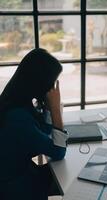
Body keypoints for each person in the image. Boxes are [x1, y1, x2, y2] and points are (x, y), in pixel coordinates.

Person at [0, 48, 68, 200]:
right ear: (40, 83)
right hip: (14, 188)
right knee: (64, 179)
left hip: (14, 175)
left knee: (54, 173)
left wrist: (49, 110)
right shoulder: (18, 118)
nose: (52, 89)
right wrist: (55, 110)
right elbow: (58, 152)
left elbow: (42, 130)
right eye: (51, 84)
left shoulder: (14, 101)